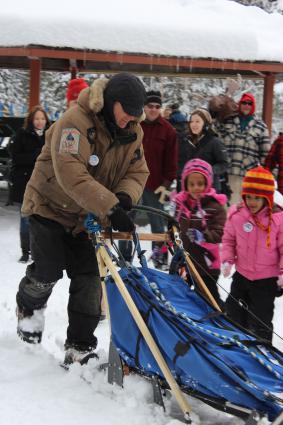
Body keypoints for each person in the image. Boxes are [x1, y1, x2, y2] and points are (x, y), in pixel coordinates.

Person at [15, 72, 149, 365]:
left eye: (135, 115)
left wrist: (125, 197)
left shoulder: (133, 131)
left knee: (89, 279)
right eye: (126, 113)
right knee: (48, 271)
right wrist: (111, 207)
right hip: (50, 207)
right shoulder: (75, 122)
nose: (131, 120)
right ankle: (28, 312)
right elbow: (71, 173)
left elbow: (138, 172)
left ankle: (80, 345)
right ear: (111, 103)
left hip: (88, 216)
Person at [221, 166, 283, 342]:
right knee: (233, 311)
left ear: (267, 198)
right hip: (242, 275)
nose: (252, 202)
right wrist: (227, 259)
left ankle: (262, 349)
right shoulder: (238, 215)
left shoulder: (278, 220)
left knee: (260, 319)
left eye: (257, 198)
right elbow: (228, 240)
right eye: (249, 196)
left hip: (266, 280)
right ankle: (236, 343)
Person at [172, 159, 227, 304]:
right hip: (184, 262)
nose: (196, 188)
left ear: (208, 183)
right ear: (185, 184)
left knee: (208, 298)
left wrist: (203, 237)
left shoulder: (215, 207)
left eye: (200, 184)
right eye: (191, 184)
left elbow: (221, 232)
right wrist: (164, 246)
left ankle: (220, 320)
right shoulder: (180, 205)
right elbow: (173, 229)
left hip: (206, 265)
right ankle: (186, 321)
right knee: (180, 294)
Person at [211, 92, 271, 204]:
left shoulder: (261, 126)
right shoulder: (227, 120)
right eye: (244, 102)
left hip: (247, 175)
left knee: (243, 207)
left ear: (253, 106)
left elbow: (266, 154)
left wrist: (264, 174)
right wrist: (225, 98)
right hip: (226, 172)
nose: (246, 105)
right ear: (240, 104)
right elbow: (215, 128)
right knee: (225, 207)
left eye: (249, 103)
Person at [8, 105, 50, 262]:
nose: (39, 122)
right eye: (36, 118)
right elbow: (16, 157)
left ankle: (39, 251)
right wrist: (35, 155)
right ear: (31, 120)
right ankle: (25, 251)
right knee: (26, 217)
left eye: (42, 118)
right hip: (25, 182)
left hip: (45, 184)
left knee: (43, 219)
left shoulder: (50, 135)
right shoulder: (21, 134)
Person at [142, 90, 178, 269]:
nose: (154, 109)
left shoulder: (168, 130)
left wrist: (166, 185)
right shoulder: (134, 124)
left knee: (158, 225)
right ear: (144, 106)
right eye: (150, 106)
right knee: (125, 221)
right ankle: (123, 257)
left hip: (155, 186)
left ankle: (160, 260)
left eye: (157, 106)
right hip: (132, 183)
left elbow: (172, 162)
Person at [184, 108, 228, 194]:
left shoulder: (214, 142)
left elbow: (224, 163)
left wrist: (209, 170)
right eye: (192, 121)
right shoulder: (187, 141)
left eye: (197, 121)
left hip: (210, 189)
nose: (193, 124)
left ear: (205, 124)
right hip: (191, 189)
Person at [167, 103, 189, 192]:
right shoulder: (183, 116)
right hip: (184, 138)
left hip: (176, 138)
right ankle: (181, 191)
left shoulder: (172, 117)